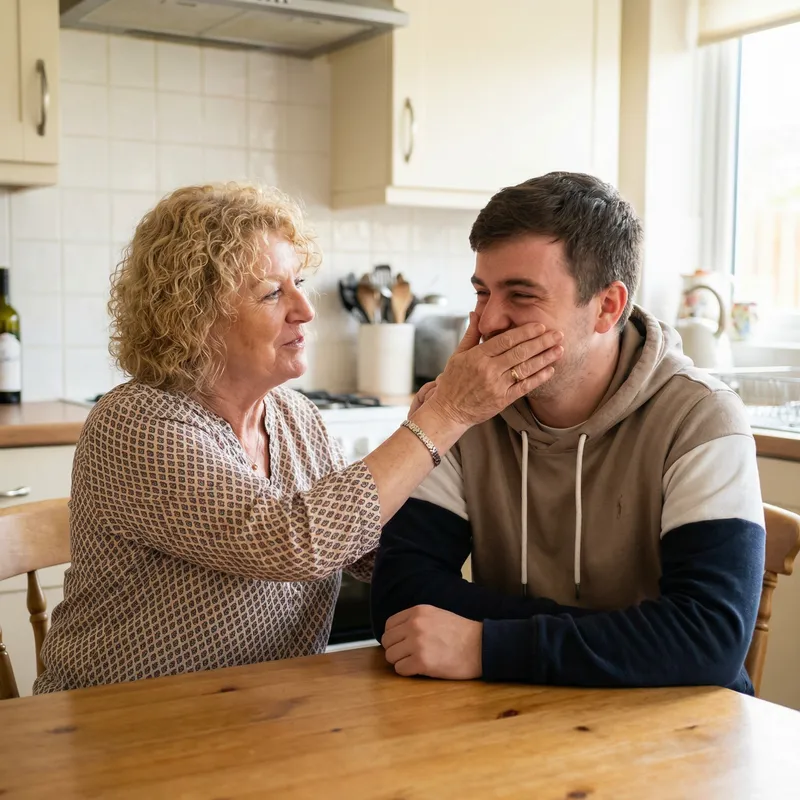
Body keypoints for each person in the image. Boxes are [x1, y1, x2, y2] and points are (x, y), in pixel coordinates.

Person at [34, 183, 564, 693]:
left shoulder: (294, 416)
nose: (305, 311)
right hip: (118, 725)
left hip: (263, 713)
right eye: (272, 293)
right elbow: (293, 544)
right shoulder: (136, 423)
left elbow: (368, 549)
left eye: (299, 285)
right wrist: (446, 413)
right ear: (192, 317)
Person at [371, 172, 766, 693]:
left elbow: (707, 640)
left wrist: (485, 643)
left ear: (607, 306)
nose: (489, 320)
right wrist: (628, 637)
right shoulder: (467, 410)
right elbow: (401, 598)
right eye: (482, 292)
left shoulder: (703, 419)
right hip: (516, 714)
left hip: (677, 733)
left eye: (522, 295)